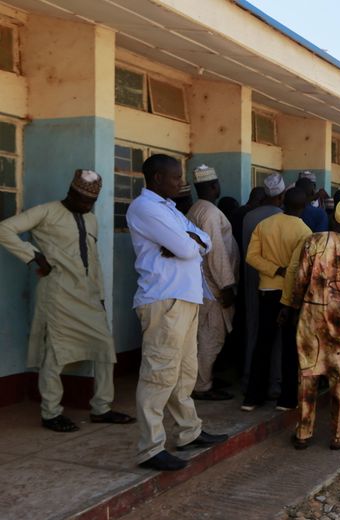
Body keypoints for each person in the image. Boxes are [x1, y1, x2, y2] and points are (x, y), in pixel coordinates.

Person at [0, 170, 135, 432]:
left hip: (89, 295)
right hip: (58, 292)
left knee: (105, 348)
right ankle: (51, 413)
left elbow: (93, 260)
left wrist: (102, 297)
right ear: (71, 192)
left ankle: (102, 408)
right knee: (56, 352)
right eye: (81, 199)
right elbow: (4, 229)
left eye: (90, 202)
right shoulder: (46, 211)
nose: (85, 205)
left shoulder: (92, 219)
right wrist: (34, 256)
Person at [127, 154, 228, 471]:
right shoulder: (144, 208)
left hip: (186, 298)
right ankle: (150, 447)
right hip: (164, 300)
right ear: (157, 178)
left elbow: (205, 242)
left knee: (184, 372)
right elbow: (188, 248)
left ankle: (188, 432)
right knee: (158, 374)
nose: (181, 182)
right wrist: (190, 242)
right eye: (174, 177)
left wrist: (191, 240)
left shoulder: (170, 209)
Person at [284, 199, 340, 450]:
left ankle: (303, 433)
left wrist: (292, 309)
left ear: (333, 217)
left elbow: (300, 280)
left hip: (311, 318)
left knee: (308, 375)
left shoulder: (312, 242)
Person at [243, 187, 311, 411]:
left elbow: (251, 257)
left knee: (263, 344)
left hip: (267, 291)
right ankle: (287, 399)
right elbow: (300, 269)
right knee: (290, 347)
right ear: (305, 206)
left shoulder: (265, 225)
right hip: (290, 295)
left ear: (282, 201)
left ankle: (252, 398)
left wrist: (273, 270)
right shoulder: (305, 232)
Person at [185, 165, 239, 401]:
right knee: (211, 336)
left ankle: (202, 378)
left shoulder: (198, 208)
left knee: (204, 335)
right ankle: (202, 386)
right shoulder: (207, 212)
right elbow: (214, 252)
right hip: (212, 286)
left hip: (204, 283)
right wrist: (226, 286)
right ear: (214, 185)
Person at [240, 174, 285, 394]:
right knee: (275, 336)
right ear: (282, 195)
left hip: (251, 280)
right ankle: (273, 382)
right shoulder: (284, 218)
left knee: (253, 329)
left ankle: (250, 378)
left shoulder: (249, 217)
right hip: (275, 283)